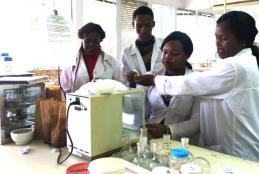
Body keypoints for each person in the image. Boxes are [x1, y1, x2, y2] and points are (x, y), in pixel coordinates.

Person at [135, 11, 259, 162]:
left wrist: (155, 80)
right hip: (226, 148)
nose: (217, 43)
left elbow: (192, 83)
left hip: (236, 151)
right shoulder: (238, 63)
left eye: (224, 38)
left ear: (243, 41)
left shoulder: (235, 66)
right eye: (216, 37)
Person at [145, 31, 200, 143]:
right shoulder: (150, 77)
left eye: (174, 54)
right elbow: (142, 111)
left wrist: (168, 130)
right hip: (151, 139)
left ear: (187, 55)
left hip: (182, 143)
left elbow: (196, 122)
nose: (167, 58)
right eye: (164, 52)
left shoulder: (196, 81)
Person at [60, 22, 122, 94]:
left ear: (100, 41)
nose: (91, 44)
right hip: (79, 104)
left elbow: (119, 87)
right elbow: (65, 90)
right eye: (87, 41)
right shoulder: (70, 63)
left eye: (95, 41)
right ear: (82, 40)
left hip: (105, 104)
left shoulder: (112, 62)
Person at [121, 5, 163, 87]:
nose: (143, 30)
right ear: (133, 25)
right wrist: (130, 80)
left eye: (147, 25)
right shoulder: (126, 52)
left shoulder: (164, 46)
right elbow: (124, 83)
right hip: (138, 97)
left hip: (160, 97)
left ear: (153, 24)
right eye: (139, 26)